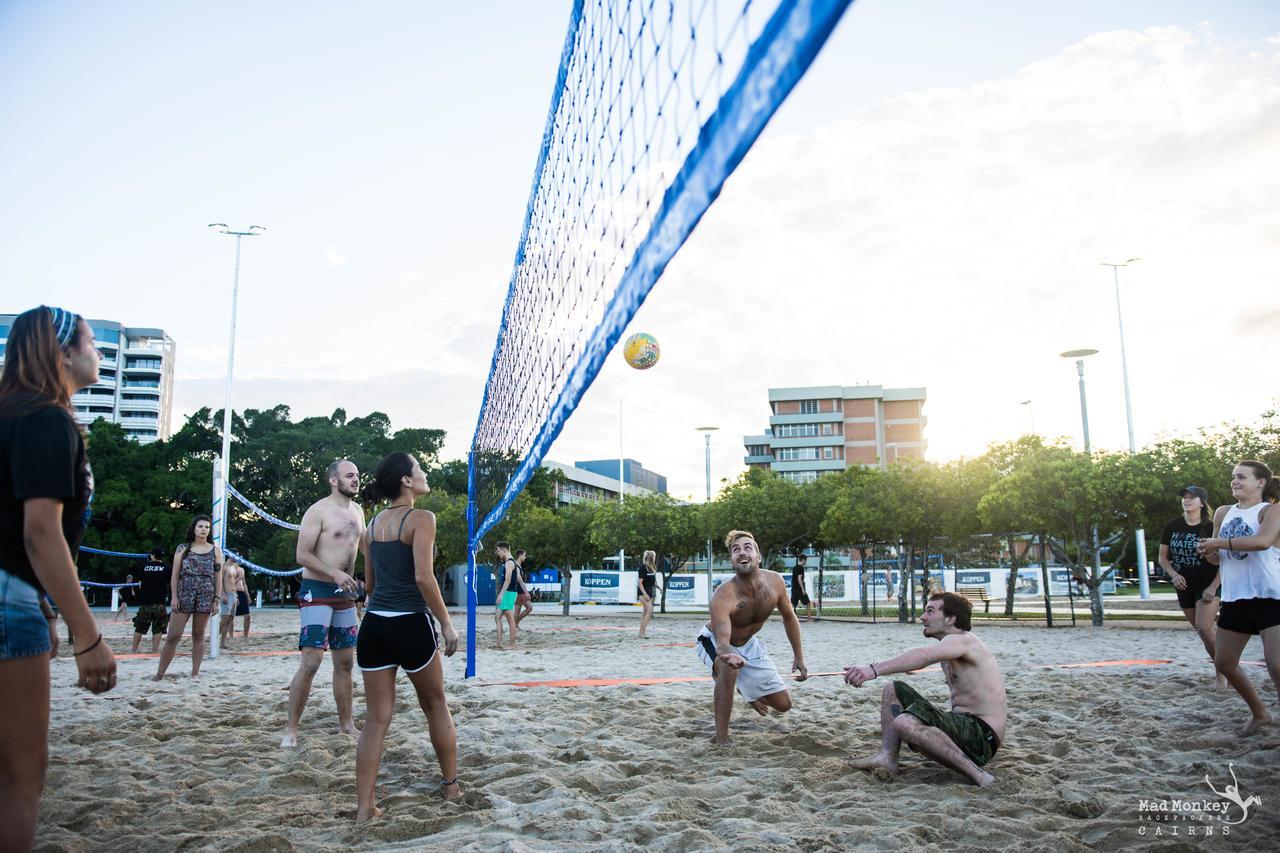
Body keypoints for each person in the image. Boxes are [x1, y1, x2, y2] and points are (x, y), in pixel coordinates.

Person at [0, 306, 116, 850]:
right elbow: (39, 533)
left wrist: (45, 609)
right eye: (92, 342)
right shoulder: (46, 419)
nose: (99, 353)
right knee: (20, 775)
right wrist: (87, 636)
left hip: (18, 592)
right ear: (63, 352)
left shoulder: (10, 416)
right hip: (6, 596)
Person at [355, 452, 461, 820]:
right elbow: (423, 577)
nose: (425, 473)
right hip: (409, 624)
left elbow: (369, 586)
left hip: (374, 627)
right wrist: (446, 623)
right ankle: (451, 788)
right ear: (405, 480)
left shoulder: (371, 527)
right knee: (435, 705)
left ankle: (365, 808)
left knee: (375, 719)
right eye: (419, 469)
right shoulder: (422, 518)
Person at [843, 592, 1006, 787]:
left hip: (981, 737)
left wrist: (872, 670)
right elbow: (922, 661)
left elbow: (922, 655)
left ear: (950, 619)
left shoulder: (962, 639)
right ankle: (887, 758)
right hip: (964, 727)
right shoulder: (952, 646)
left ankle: (979, 776)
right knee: (892, 689)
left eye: (930, 611)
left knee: (905, 723)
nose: (923, 617)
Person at [695, 530, 808, 744]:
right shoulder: (723, 595)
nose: (741, 552)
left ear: (758, 556)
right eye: (735, 550)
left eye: (748, 547)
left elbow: (789, 617)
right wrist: (727, 657)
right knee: (727, 669)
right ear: (732, 560)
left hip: (749, 645)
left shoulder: (775, 582)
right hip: (713, 641)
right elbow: (721, 644)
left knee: (784, 704)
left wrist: (799, 657)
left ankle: (747, 690)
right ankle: (721, 739)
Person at [281, 459, 364, 747]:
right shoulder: (317, 511)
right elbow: (302, 555)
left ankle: (346, 725)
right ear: (333, 480)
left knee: (345, 662)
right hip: (316, 589)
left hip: (346, 594)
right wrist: (334, 573)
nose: (355, 480)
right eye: (349, 475)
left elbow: (365, 549)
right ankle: (291, 730)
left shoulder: (358, 511)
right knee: (312, 661)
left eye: (357, 476)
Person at [1196, 460, 1280, 735]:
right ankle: (1261, 714)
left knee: (1277, 665)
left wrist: (1218, 544)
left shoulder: (1271, 510)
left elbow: (1262, 542)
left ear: (1260, 482)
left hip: (1270, 595)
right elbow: (1218, 558)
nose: (1235, 481)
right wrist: (1209, 552)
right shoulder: (1223, 512)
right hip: (1235, 596)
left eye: (1242, 477)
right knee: (1224, 662)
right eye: (1233, 477)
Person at [1159, 485, 1224, 685]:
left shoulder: (1210, 527)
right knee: (1202, 631)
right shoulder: (1172, 526)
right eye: (1184, 498)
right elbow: (1163, 558)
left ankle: (1223, 674)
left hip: (1208, 582)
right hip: (1183, 584)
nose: (1186, 500)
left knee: (1205, 628)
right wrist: (1173, 575)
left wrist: (1213, 587)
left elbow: (1224, 561)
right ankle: (1223, 665)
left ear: (1201, 503)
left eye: (1191, 497)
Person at [153, 515, 223, 680]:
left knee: (198, 635)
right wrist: (174, 597)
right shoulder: (183, 549)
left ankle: (195, 673)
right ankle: (160, 673)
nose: (203, 529)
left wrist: (217, 599)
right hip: (185, 593)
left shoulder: (215, 550)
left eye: (206, 527)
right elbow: (174, 575)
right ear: (194, 528)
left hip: (206, 595)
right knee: (173, 636)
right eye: (200, 526)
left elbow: (218, 576)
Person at [131, 547, 171, 653]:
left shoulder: (144, 567)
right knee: (158, 628)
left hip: (145, 602)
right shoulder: (166, 568)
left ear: (152, 555)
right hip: (160, 602)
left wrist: (140, 595)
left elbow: (138, 584)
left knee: (139, 627)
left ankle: (133, 650)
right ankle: (155, 651)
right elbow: (171, 583)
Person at [493, 541, 518, 650]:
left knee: (510, 619)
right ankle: (498, 643)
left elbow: (507, 581)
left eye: (498, 551)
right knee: (497, 617)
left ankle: (511, 644)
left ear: (504, 550)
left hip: (509, 593)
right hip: (507, 593)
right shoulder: (508, 562)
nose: (498, 553)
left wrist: (501, 595)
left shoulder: (509, 563)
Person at [219, 554, 244, 649]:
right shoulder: (224, 567)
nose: (238, 558)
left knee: (229, 620)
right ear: (230, 555)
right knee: (224, 618)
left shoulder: (233, 567)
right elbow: (220, 581)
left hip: (233, 594)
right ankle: (214, 638)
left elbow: (232, 582)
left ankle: (223, 643)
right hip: (227, 594)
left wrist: (236, 596)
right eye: (236, 556)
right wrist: (222, 594)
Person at [637, 550, 657, 638]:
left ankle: (641, 632)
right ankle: (642, 632)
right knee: (649, 610)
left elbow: (653, 582)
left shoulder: (652, 568)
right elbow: (640, 583)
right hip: (643, 592)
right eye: (654, 557)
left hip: (649, 591)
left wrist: (659, 587)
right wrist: (645, 594)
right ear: (652, 558)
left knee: (645, 612)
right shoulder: (643, 568)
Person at [514, 549, 534, 625]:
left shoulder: (519, 566)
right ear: (520, 556)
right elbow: (519, 580)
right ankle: (513, 625)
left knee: (529, 608)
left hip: (521, 591)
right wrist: (526, 592)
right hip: (518, 591)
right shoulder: (516, 566)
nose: (525, 557)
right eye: (524, 555)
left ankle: (515, 623)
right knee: (517, 609)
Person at [791, 553, 813, 622]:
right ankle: (809, 619)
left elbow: (794, 579)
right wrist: (803, 589)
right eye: (805, 560)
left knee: (793, 605)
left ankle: (790, 619)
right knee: (808, 603)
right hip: (799, 589)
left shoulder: (794, 568)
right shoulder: (801, 568)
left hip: (794, 589)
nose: (806, 562)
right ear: (803, 560)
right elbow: (799, 578)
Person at [235, 563, 252, 639]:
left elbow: (244, 583)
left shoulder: (242, 569)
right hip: (233, 591)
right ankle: (230, 636)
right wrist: (239, 577)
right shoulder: (228, 568)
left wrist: (247, 596)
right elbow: (228, 582)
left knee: (247, 616)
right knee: (229, 617)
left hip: (242, 592)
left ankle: (245, 635)